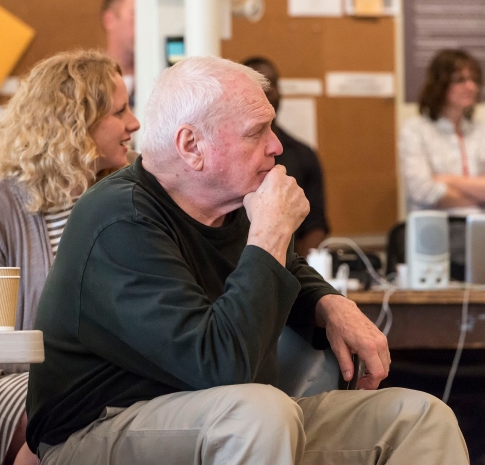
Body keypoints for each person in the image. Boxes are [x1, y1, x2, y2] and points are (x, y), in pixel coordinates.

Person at [26, 56, 468, 464]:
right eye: (257, 132)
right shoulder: (120, 219)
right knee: (259, 410)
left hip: (224, 414)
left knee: (421, 417)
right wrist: (272, 231)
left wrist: (330, 303)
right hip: (100, 427)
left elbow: (286, 268)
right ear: (191, 145)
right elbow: (220, 366)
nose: (277, 146)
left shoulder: (225, 205)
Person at [0, 49, 139, 465]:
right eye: (120, 111)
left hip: (103, 383)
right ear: (76, 124)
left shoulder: (128, 200)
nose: (134, 123)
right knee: (70, 406)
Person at [243, 56, 329, 257]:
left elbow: (315, 223)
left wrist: (304, 275)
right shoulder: (231, 156)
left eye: (271, 83)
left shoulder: (304, 155)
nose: (267, 92)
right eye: (258, 85)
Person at [400, 49, 485, 215]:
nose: (471, 86)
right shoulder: (415, 130)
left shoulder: (481, 130)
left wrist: (447, 179)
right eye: (460, 80)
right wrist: (478, 194)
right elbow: (423, 191)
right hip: (435, 227)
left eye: (473, 80)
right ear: (440, 85)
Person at [102, 0, 135, 103]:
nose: (144, 24)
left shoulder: (161, 80)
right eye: (135, 15)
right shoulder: (90, 84)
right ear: (109, 20)